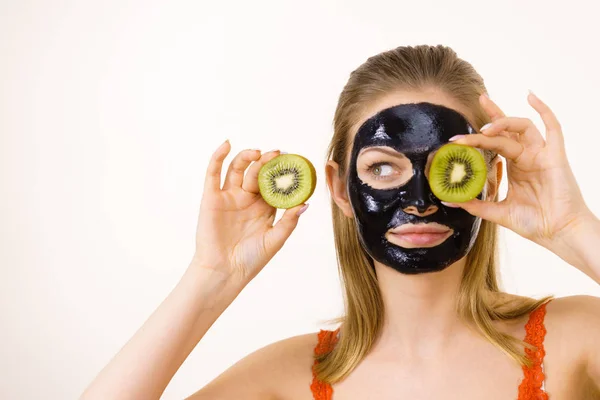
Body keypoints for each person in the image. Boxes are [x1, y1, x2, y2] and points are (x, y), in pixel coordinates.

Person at [80, 45, 600, 399]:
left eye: (446, 169)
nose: (417, 201)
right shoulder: (286, 377)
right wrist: (210, 278)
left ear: (488, 179)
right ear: (338, 188)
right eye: (381, 167)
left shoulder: (576, 340)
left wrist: (574, 228)